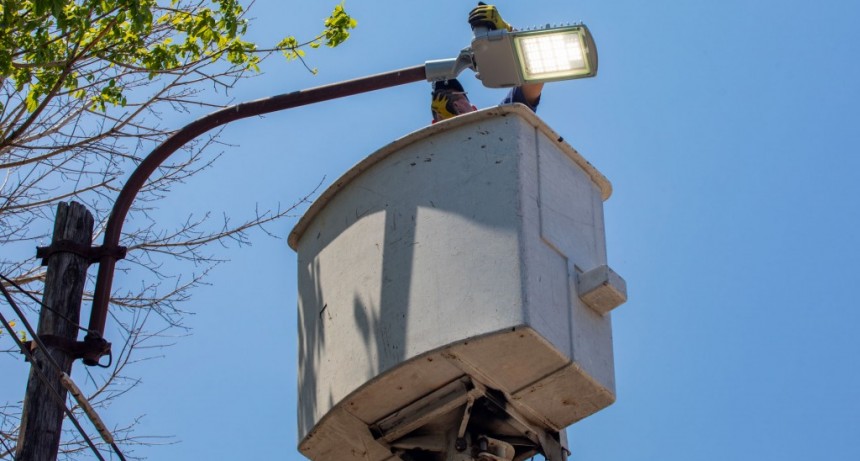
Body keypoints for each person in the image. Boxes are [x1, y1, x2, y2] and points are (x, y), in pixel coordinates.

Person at [431, 3, 544, 123]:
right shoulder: (430, 142)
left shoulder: (501, 123)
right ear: (433, 124)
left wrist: (509, 35)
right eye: (442, 101)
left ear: (474, 109)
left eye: (457, 97)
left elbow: (536, 73)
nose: (452, 104)